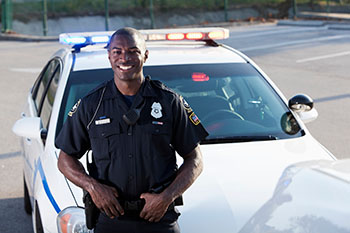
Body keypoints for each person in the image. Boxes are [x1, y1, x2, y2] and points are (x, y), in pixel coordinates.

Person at [55, 27, 208, 233]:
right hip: (111, 220)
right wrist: (93, 187)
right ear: (109, 56)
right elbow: (65, 159)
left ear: (145, 55)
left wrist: (166, 197)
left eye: (133, 51)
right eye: (117, 51)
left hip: (160, 219)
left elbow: (195, 159)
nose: (124, 58)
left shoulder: (169, 102)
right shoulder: (92, 105)